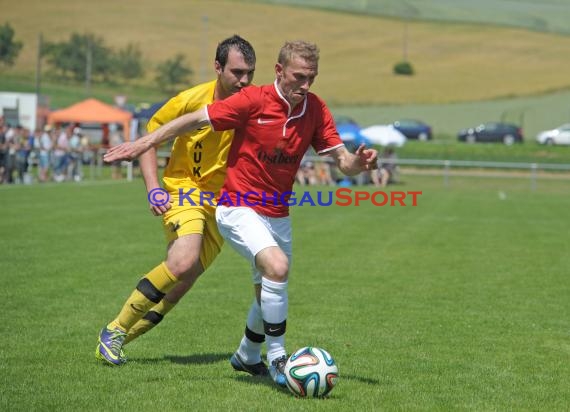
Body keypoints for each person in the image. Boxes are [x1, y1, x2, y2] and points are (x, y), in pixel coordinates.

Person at [103, 40, 378, 387]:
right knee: (260, 266)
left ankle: (247, 355)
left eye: (312, 77)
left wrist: (359, 163)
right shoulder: (248, 100)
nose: (306, 85)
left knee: (262, 286)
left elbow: (343, 160)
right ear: (279, 71)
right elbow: (185, 122)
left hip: (273, 210)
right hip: (227, 201)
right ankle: (279, 360)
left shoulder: (314, 108)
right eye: (299, 76)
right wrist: (142, 151)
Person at [95, 35, 258, 370]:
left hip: (224, 202)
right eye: (237, 72)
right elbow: (150, 137)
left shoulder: (252, 104)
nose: (244, 81)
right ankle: (114, 329)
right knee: (182, 262)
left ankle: (118, 340)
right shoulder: (189, 100)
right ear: (217, 67)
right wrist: (154, 187)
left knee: (183, 281)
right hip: (184, 189)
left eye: (249, 73)